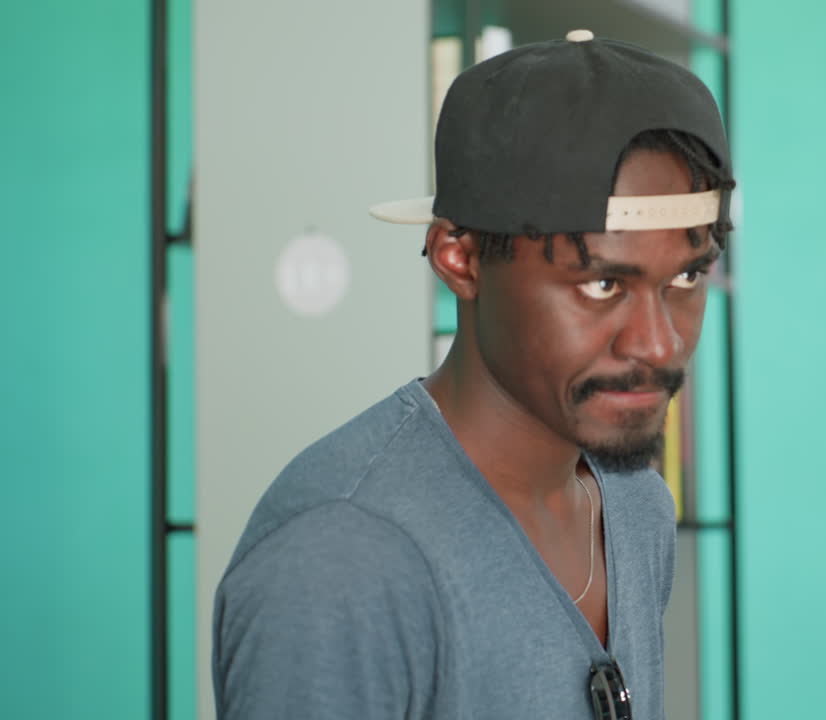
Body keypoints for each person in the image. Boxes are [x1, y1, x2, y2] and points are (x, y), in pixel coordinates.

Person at [212, 29, 734, 720]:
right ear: (460, 258)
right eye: (603, 284)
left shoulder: (637, 507)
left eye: (688, 275)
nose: (660, 343)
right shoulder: (340, 563)